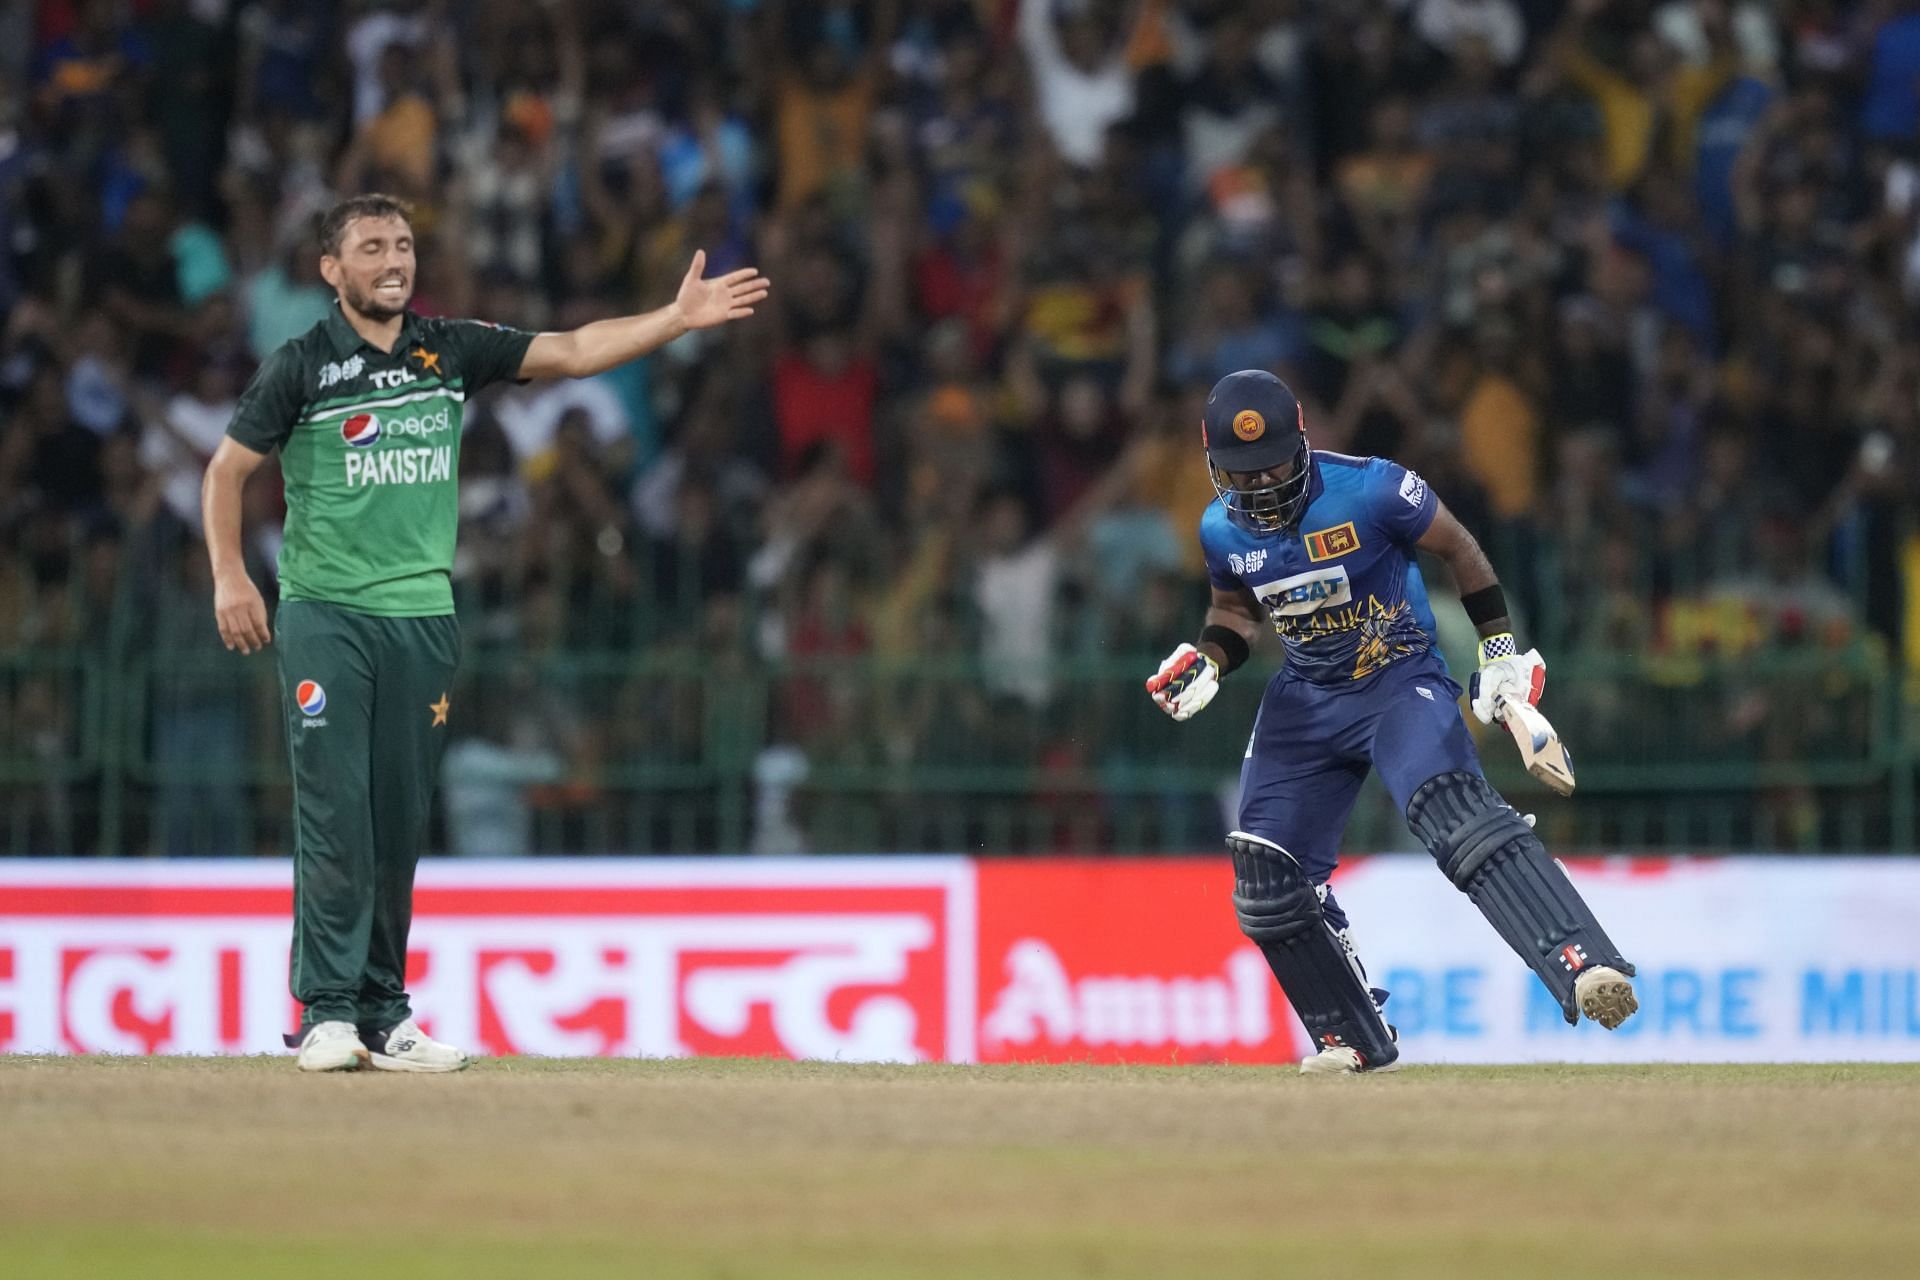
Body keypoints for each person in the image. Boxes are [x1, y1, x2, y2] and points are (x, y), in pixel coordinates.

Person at [201, 193, 768, 1072]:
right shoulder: (302, 365)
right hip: (327, 613)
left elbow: (576, 351)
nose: (394, 259)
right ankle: (326, 1013)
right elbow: (227, 469)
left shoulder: (447, 347)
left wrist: (675, 319)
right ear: (331, 270)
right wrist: (232, 573)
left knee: (400, 816)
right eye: (372, 247)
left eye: (404, 244)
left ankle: (386, 1015)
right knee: (335, 809)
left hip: (424, 616)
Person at [1145, 370, 1638, 1073]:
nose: (1258, 486)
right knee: (1264, 874)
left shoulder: (1372, 489)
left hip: (1397, 681)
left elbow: (1460, 548)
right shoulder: (1220, 527)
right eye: (1240, 472)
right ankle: (1351, 1037)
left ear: (1303, 444)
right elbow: (1234, 613)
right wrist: (1209, 659)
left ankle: (1584, 962)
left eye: (1273, 466)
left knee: (1454, 815)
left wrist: (1498, 652)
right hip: (1306, 697)